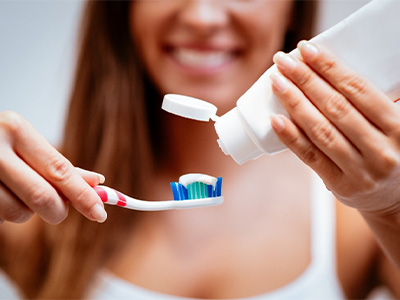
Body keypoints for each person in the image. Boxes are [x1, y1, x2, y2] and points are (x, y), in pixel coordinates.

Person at [0, 0, 399, 299]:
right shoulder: (34, 196)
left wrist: (391, 209)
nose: (203, 17)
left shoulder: (359, 216)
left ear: (292, 8)